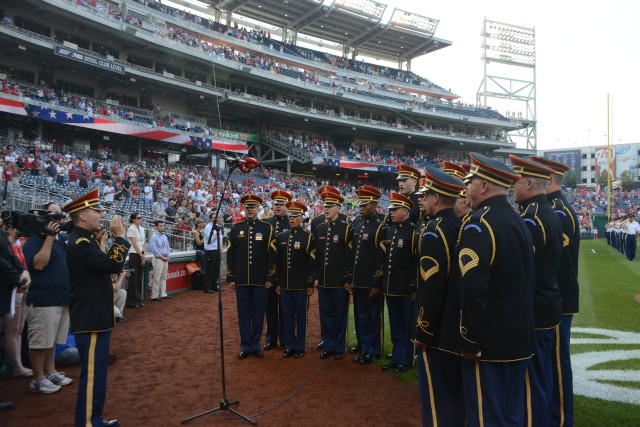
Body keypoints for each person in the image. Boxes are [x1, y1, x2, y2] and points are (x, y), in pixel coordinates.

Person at [457, 153, 534, 426]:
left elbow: (474, 290)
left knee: (485, 417)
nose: (466, 188)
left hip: (488, 345)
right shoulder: (519, 221)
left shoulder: (479, 224)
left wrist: (469, 341)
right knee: (512, 417)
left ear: (484, 186)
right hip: (519, 341)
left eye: (470, 182)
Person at [64, 188, 130, 427]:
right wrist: (121, 238)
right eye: (96, 210)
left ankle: (95, 420)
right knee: (92, 377)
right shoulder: (80, 243)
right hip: (90, 319)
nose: (101, 215)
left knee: (98, 375)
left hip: (95, 318)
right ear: (82, 215)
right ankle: (89, 424)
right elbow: (112, 265)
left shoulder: (85, 240)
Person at [510, 155, 563, 426]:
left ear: (529, 183)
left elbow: (524, 274)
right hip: (548, 304)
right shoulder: (549, 212)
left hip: (535, 309)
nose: (512, 187)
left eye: (516, 181)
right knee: (543, 377)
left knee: (532, 383)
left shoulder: (531, 219)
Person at [531, 155, 581, 426]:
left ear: (548, 179)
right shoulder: (556, 207)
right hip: (557, 297)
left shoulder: (558, 210)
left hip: (558, 298)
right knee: (550, 363)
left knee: (557, 365)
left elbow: (556, 264)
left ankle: (561, 419)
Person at [413, 167, 465, 427]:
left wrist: (424, 330)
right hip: (458, 326)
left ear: (436, 197)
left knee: (437, 401)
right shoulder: (461, 225)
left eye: (427, 194)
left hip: (438, 332)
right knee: (457, 397)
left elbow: (431, 286)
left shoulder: (434, 230)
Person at [22, 203, 74, 394]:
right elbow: (39, 264)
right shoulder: (36, 239)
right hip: (43, 299)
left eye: (61, 216)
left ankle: (50, 372)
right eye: (55, 216)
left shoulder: (62, 238)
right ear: (44, 218)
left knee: (51, 341)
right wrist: (49, 237)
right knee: (40, 342)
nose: (60, 220)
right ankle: (38, 379)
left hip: (61, 298)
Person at [226, 194, 276, 359]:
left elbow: (271, 255)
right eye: (247, 207)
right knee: (243, 314)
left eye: (253, 207)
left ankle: (256, 344)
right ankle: (245, 345)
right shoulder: (235, 228)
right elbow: (230, 255)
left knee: (258, 313)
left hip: (260, 280)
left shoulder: (267, 229)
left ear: (258, 208)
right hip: (241, 280)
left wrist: (270, 277)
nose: (249, 209)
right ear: (244, 208)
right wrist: (231, 278)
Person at [349, 185, 387, 365]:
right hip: (358, 282)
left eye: (364, 205)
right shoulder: (357, 225)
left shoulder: (381, 228)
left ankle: (374, 350)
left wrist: (376, 283)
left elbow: (380, 259)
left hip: (371, 282)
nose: (360, 208)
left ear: (374, 204)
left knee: (373, 317)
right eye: (360, 205)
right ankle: (365, 348)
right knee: (361, 317)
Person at [379, 192, 416, 374]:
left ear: (405, 210)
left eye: (395, 209)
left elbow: (416, 262)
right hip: (391, 287)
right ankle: (396, 357)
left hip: (406, 289)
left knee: (407, 326)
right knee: (395, 326)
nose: (391, 212)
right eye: (390, 209)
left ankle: (407, 359)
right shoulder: (390, 231)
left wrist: (414, 286)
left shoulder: (414, 231)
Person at [315, 187, 352, 360]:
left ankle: (339, 347)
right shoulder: (320, 228)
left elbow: (349, 257)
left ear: (338, 208)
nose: (326, 209)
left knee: (339, 315)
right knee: (325, 315)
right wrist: (316, 277)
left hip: (339, 282)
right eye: (325, 205)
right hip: (323, 281)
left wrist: (348, 279)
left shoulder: (346, 229)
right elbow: (318, 256)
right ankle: (328, 345)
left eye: (330, 206)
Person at [274, 201, 316, 358]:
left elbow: (311, 263)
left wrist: (309, 283)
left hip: (300, 286)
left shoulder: (308, 237)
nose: (292, 219)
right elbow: (278, 262)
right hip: (285, 285)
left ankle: (300, 346)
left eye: (296, 216)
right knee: (287, 316)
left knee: (301, 317)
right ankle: (289, 345)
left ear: (302, 218)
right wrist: (278, 282)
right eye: (290, 216)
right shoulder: (281, 237)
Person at [1, 215, 33, 378]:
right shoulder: (8, 245)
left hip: (22, 291)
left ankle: (19, 364)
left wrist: (25, 274)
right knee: (12, 330)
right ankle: (16, 366)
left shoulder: (15, 246)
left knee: (19, 329)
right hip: (13, 292)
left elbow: (22, 266)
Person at [263, 190, 292, 350]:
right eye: (276, 204)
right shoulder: (266, 223)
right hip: (270, 273)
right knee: (270, 308)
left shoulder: (293, 222)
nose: (278, 207)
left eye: (281, 204)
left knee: (286, 309)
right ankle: (271, 338)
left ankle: (286, 338)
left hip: (287, 272)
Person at [126, 212, 146, 309]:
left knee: (139, 278)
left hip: (141, 254)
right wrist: (141, 255)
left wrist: (144, 254)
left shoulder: (142, 229)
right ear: (133, 219)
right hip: (134, 254)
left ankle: (139, 299)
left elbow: (143, 243)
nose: (140, 219)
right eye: (138, 218)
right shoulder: (131, 229)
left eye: (140, 218)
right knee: (133, 279)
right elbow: (134, 244)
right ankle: (131, 301)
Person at [149, 220, 172, 301]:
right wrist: (162, 257)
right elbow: (154, 249)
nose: (162, 227)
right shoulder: (153, 236)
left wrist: (168, 256)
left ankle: (163, 294)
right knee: (156, 277)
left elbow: (168, 247)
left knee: (164, 277)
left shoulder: (164, 236)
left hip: (165, 258)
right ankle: (154, 296)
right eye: (160, 225)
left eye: (163, 225)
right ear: (156, 226)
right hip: (158, 258)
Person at [203, 212, 221, 293]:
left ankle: (214, 286)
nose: (215, 219)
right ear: (210, 218)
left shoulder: (217, 227)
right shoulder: (208, 227)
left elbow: (220, 239)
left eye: (216, 218)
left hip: (217, 249)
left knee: (216, 269)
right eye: (213, 217)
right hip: (210, 250)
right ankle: (207, 287)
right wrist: (217, 234)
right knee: (210, 269)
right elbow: (210, 239)